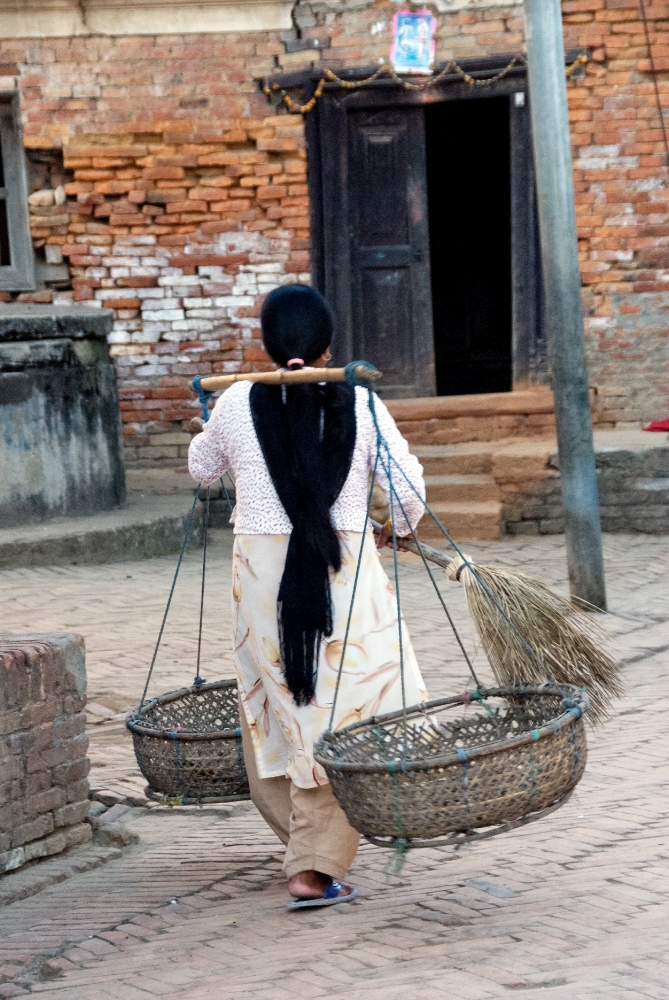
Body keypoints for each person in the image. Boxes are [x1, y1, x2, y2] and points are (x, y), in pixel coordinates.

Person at [188, 284, 428, 909]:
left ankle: (307, 849)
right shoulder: (362, 401)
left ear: (268, 345)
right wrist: (394, 528)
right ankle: (314, 866)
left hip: (261, 576)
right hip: (342, 570)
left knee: (283, 707)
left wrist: (206, 423)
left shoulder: (237, 401)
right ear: (326, 343)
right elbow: (407, 497)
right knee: (353, 707)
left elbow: (201, 470)